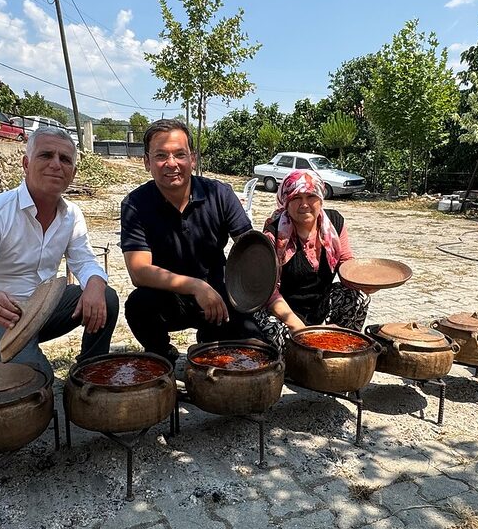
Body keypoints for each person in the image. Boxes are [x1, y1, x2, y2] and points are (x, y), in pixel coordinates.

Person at [0, 124, 118, 381]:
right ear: (26, 163)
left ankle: (89, 376)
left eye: (65, 159)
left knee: (105, 296)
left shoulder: (71, 214)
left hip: (44, 308)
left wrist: (95, 282)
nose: (56, 164)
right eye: (46, 155)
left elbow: (84, 262)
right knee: (34, 380)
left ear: (73, 172)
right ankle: (5, 362)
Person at [120, 118, 264, 362]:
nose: (172, 163)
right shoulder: (135, 204)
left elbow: (248, 246)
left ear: (193, 158)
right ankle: (161, 352)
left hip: (220, 295)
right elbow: (139, 271)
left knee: (254, 349)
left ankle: (211, 338)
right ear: (146, 162)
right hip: (168, 298)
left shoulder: (219, 193)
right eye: (161, 156)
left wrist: (263, 268)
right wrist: (196, 286)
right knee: (137, 305)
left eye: (180, 154)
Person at [254, 170, 369, 353]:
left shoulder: (335, 223)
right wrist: (298, 328)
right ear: (286, 201)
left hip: (319, 306)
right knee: (287, 344)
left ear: (320, 198)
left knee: (357, 297)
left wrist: (364, 283)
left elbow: (346, 263)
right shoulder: (273, 234)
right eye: (296, 197)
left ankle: (339, 349)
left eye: (311, 196)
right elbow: (268, 291)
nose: (304, 204)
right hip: (283, 311)